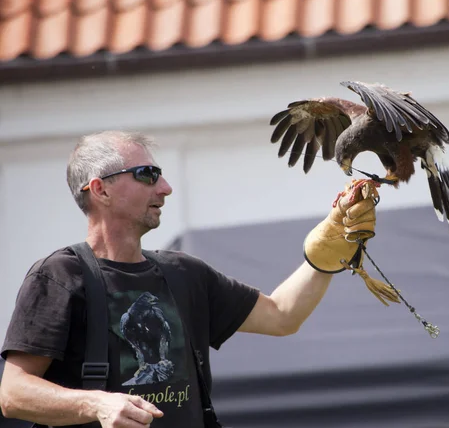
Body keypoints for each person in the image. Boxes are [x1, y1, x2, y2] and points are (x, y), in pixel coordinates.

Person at [0, 130, 378, 428]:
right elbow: (14, 394)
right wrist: (96, 402)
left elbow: (282, 316)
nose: (165, 188)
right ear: (100, 190)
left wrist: (327, 251)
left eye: (161, 175)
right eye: (147, 175)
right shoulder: (59, 276)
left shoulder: (185, 274)